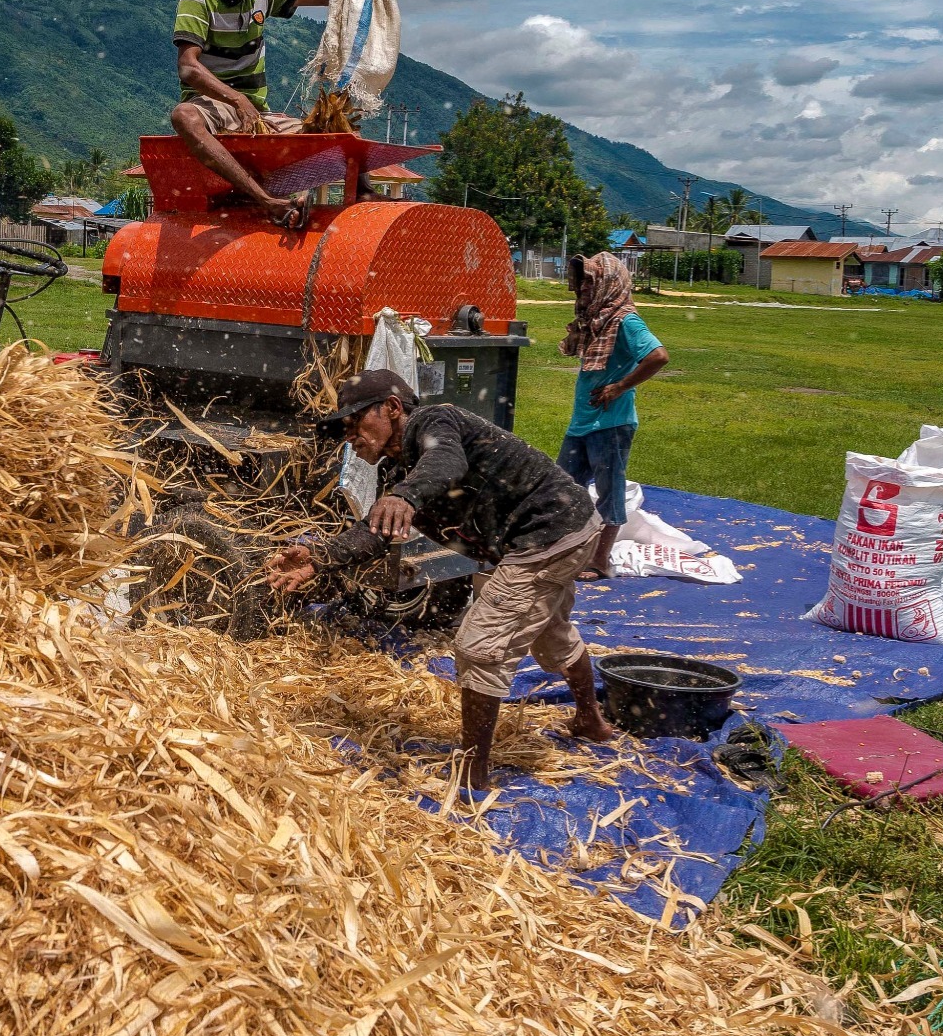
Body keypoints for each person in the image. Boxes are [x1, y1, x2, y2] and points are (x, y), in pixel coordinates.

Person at [263, 369, 619, 791]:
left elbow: (446, 462)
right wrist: (319, 558)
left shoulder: (434, 421)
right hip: (528, 540)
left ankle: (473, 776)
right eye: (345, 429)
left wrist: (405, 496)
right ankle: (590, 720)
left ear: (392, 408)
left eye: (356, 422)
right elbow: (378, 532)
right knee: (548, 630)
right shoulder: (398, 472)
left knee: (479, 647)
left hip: (549, 531)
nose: (350, 437)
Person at [170, 0, 359, 227]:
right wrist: (236, 99)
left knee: (340, 131)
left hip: (259, 115)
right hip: (212, 105)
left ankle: (361, 202)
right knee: (183, 116)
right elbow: (188, 67)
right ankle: (267, 200)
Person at [558, 253, 669, 580]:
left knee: (610, 492)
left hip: (611, 423)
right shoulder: (596, 321)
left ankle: (600, 560)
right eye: (581, 282)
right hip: (583, 421)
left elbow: (658, 356)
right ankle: (568, 550)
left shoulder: (625, 321)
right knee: (562, 487)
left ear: (608, 284)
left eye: (589, 282)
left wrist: (620, 387)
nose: (582, 288)